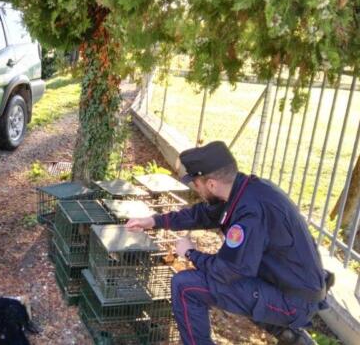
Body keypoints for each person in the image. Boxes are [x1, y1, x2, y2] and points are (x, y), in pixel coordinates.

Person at [126, 141, 331, 345]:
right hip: (290, 285)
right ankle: (291, 337)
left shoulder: (249, 212)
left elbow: (227, 271)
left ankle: (287, 327)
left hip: (293, 300)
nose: (196, 189)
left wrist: (190, 253)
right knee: (240, 282)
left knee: (186, 285)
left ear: (212, 184)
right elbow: (202, 215)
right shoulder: (244, 191)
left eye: (196, 184)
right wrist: (154, 221)